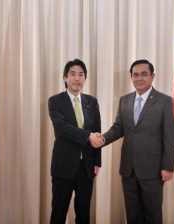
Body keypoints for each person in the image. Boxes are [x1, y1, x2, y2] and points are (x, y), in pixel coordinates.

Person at [92, 59, 174, 224]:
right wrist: (103, 138)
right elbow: (118, 128)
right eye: (135, 75)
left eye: (144, 74)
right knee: (133, 215)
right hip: (128, 168)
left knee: (152, 215)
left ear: (152, 76)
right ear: (131, 77)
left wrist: (168, 166)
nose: (139, 78)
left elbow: (170, 136)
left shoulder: (164, 101)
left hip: (153, 170)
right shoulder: (125, 100)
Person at [48, 59, 102, 224]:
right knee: (59, 211)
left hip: (86, 167)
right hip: (63, 165)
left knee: (84, 212)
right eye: (72, 74)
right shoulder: (55, 101)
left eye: (81, 75)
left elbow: (97, 133)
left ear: (85, 78)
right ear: (65, 78)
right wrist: (88, 136)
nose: (77, 78)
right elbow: (63, 128)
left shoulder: (91, 102)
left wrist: (97, 161)